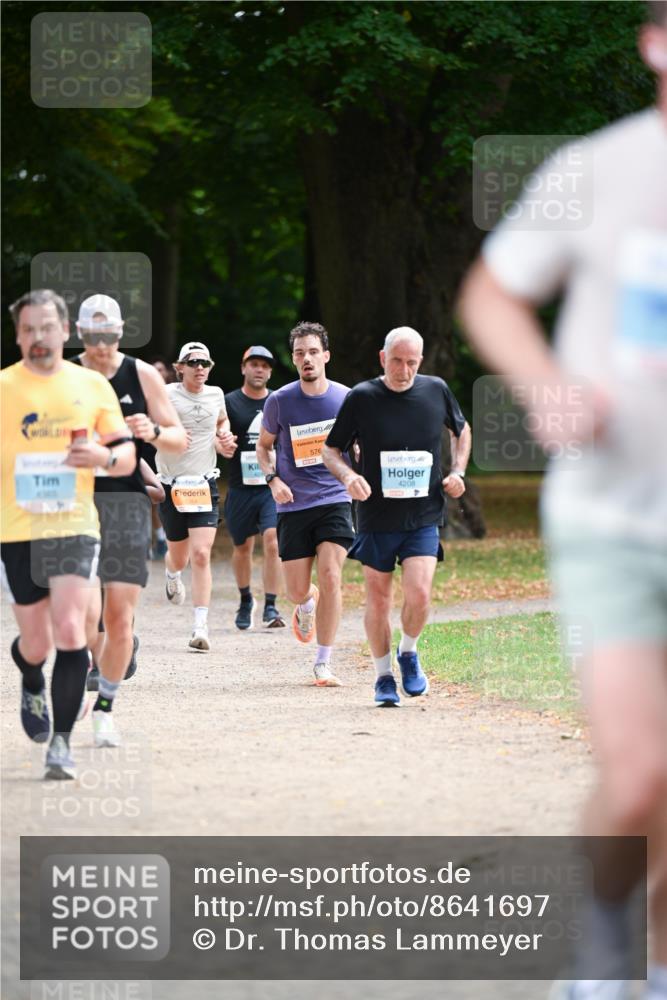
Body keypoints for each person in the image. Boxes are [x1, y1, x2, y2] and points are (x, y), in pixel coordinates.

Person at [458, 5, 667, 996]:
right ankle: (600, 946)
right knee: (638, 776)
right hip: (613, 520)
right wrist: (545, 383)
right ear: (654, 44)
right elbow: (491, 296)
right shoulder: (598, 169)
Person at [0, 289, 135, 779]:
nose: (39, 337)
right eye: (29, 329)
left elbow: (126, 456)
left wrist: (102, 458)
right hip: (16, 528)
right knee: (35, 643)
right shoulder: (4, 387)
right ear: (18, 335)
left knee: (72, 629)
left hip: (75, 524)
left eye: (47, 328)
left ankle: (61, 742)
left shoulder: (91, 386)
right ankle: (31, 676)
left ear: (64, 331)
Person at [322, 327, 471, 706]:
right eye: (396, 361)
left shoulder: (435, 389)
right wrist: (349, 476)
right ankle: (383, 676)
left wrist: (458, 472)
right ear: (382, 358)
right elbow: (331, 450)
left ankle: (409, 652)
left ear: (420, 361)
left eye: (411, 362)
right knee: (379, 597)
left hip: (423, 512)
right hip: (376, 513)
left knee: (420, 594)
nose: (403, 370)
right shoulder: (363, 397)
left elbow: (462, 429)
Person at [73, 294, 187, 747]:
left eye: (113, 335)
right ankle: (94, 658)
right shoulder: (67, 379)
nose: (105, 345)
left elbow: (178, 437)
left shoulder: (139, 374)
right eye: (96, 336)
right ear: (80, 335)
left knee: (119, 618)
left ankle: (105, 707)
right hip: (75, 503)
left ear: (122, 332)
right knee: (85, 618)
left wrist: (154, 433)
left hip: (126, 504)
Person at [256, 321, 354, 687]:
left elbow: (358, 444)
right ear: (294, 360)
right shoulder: (279, 400)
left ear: (325, 355)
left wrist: (356, 471)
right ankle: (306, 603)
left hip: (334, 497)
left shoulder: (346, 398)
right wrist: (273, 480)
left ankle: (323, 661)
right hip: (293, 504)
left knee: (331, 575)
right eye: (300, 353)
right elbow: (263, 447)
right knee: (296, 590)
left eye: (313, 351)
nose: (307, 358)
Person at [156, 341, 231, 652]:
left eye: (205, 363)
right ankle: (172, 573)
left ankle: (200, 626)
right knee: (180, 556)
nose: (200, 367)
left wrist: (223, 435)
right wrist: (168, 435)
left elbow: (221, 421)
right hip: (172, 483)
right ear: (180, 367)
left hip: (203, 484)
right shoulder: (166, 395)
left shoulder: (216, 395)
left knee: (201, 554)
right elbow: (152, 427)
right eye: (194, 362)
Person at [222, 345, 285, 630]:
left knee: (273, 541)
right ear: (243, 368)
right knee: (243, 547)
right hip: (240, 487)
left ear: (270, 372)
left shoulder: (279, 401)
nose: (260, 370)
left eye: (265, 365)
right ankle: (246, 599)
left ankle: (271, 606)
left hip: (270, 486)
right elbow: (217, 434)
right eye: (254, 364)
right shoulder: (229, 402)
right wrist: (222, 444)